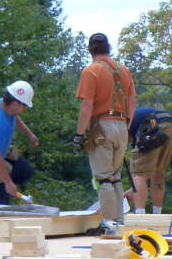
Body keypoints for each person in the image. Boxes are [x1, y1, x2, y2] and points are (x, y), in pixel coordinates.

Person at [72, 33, 136, 231]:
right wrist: (126, 126)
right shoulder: (124, 70)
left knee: (104, 178)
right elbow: (132, 101)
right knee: (115, 177)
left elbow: (87, 105)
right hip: (122, 124)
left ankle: (108, 224)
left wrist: (79, 134)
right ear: (108, 48)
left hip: (102, 126)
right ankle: (119, 222)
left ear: (90, 50)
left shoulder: (91, 71)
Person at [124, 107, 172, 214]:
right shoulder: (130, 119)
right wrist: (133, 190)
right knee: (158, 172)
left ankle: (140, 215)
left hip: (154, 126)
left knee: (138, 174)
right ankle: (157, 214)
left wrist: (134, 188)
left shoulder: (121, 126)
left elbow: (141, 176)